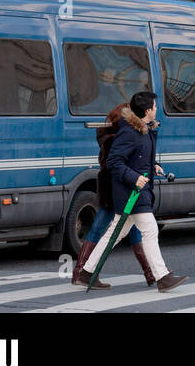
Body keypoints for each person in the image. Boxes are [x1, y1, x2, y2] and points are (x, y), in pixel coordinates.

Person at [79, 91, 186, 293]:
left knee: (115, 233)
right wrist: (134, 177)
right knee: (150, 230)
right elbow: (114, 162)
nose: (156, 109)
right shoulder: (130, 132)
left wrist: (153, 165)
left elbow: (137, 156)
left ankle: (87, 272)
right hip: (132, 191)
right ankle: (162, 276)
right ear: (147, 111)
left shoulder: (144, 129)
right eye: (154, 106)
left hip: (136, 190)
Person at [72, 101, 157, 288]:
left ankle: (152, 274)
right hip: (118, 188)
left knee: (133, 229)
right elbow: (122, 163)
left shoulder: (114, 136)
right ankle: (82, 272)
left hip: (115, 187)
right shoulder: (120, 137)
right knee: (105, 228)